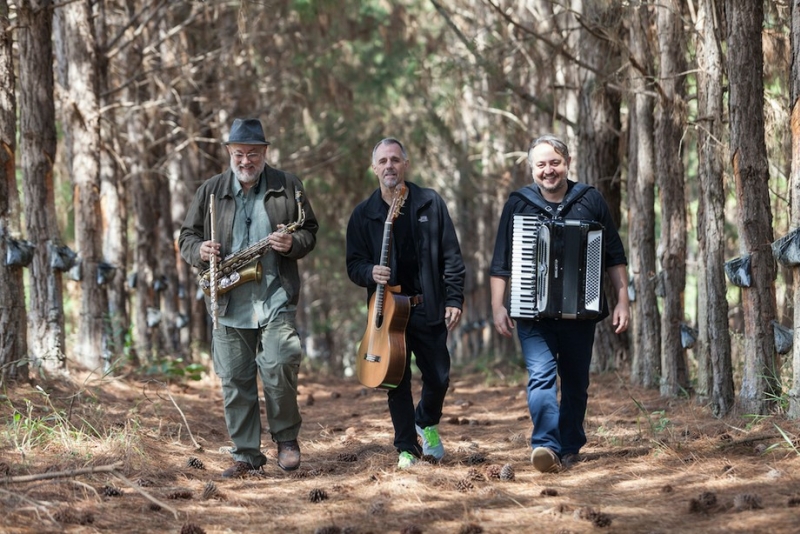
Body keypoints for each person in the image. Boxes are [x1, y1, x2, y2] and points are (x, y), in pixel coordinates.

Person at [179, 118, 318, 477]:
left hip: (275, 297)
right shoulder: (210, 190)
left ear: (264, 153)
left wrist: (293, 243)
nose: (245, 161)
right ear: (229, 153)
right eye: (239, 153)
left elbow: (309, 230)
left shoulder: (288, 186)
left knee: (279, 365)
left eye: (253, 154)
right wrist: (200, 250)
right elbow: (186, 237)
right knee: (235, 381)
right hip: (227, 301)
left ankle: (286, 438)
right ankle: (246, 456)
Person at [490, 134, 630, 473]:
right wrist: (498, 306)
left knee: (576, 382)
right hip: (531, 313)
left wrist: (623, 300)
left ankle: (570, 448)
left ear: (566, 163)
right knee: (541, 377)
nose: (548, 170)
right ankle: (545, 446)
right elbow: (501, 262)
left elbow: (614, 255)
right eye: (541, 165)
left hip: (580, 312)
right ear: (532, 169)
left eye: (555, 162)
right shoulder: (518, 204)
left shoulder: (590, 200)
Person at [346, 138, 466, 469]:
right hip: (387, 310)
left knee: (439, 376)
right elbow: (353, 265)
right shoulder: (363, 215)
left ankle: (425, 421)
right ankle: (406, 448)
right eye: (383, 161)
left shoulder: (430, 203)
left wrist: (454, 297)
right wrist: (371, 271)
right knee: (395, 380)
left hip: (426, 306)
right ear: (374, 168)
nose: (389, 166)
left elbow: (451, 257)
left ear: (405, 164)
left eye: (395, 160)